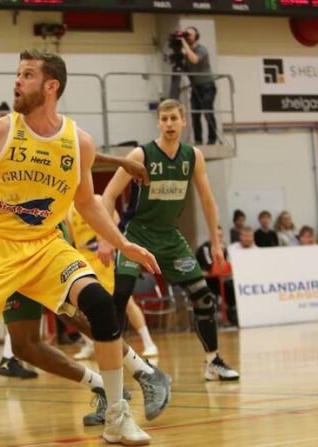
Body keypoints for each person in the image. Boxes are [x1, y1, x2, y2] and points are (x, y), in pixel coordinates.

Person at [0, 51, 161, 444]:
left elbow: (87, 203)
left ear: (51, 86)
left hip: (44, 246)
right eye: (17, 74)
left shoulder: (79, 142)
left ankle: (117, 417)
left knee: (99, 304)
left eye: (27, 75)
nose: (17, 81)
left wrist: (124, 243)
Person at [100, 99, 240, 383]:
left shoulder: (193, 156)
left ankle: (213, 362)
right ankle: (113, 371)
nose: (169, 124)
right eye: (164, 119)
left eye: (174, 118)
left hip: (170, 237)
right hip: (136, 235)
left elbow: (208, 200)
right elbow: (109, 195)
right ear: (158, 123)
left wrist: (215, 243)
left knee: (202, 295)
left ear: (183, 121)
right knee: (120, 297)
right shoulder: (141, 155)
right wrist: (107, 238)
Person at [67, 201, 159, 360]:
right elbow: (70, 238)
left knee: (127, 302)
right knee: (79, 306)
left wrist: (112, 246)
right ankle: (89, 343)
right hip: (84, 262)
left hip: (106, 259)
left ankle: (148, 342)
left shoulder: (99, 200)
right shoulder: (67, 210)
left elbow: (118, 226)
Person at [181, 26, 217, 145]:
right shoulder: (186, 53)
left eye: (190, 35)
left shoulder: (201, 49)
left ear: (196, 37)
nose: (187, 37)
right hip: (195, 87)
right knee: (195, 114)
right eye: (186, 35)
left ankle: (212, 138)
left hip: (207, 86)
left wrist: (184, 44)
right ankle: (198, 139)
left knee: (207, 112)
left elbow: (194, 60)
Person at [196, 226, 236, 326]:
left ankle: (232, 314)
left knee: (233, 287)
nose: (219, 239)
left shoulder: (223, 248)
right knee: (228, 289)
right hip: (204, 282)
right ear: (210, 236)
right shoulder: (205, 248)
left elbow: (225, 268)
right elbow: (210, 268)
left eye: (221, 236)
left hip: (217, 279)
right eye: (217, 236)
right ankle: (227, 317)